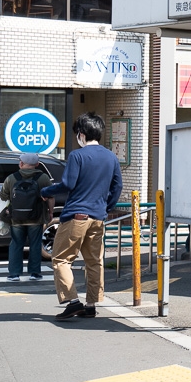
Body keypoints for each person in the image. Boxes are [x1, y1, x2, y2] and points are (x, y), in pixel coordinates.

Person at [42, 112, 122, 319]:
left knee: (61, 259)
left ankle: (73, 301)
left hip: (76, 215)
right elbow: (117, 187)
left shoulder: (77, 156)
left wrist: (46, 192)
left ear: (82, 134)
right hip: (98, 217)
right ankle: (91, 304)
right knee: (94, 261)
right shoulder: (111, 157)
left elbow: (68, 184)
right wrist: (106, 208)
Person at [0, 153, 54, 282]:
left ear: (21, 164)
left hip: (16, 218)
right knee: (35, 244)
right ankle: (35, 273)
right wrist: (50, 212)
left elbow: (3, 196)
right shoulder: (43, 178)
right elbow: (51, 197)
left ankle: (14, 274)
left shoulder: (11, 178)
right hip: (36, 218)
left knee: (16, 244)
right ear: (37, 164)